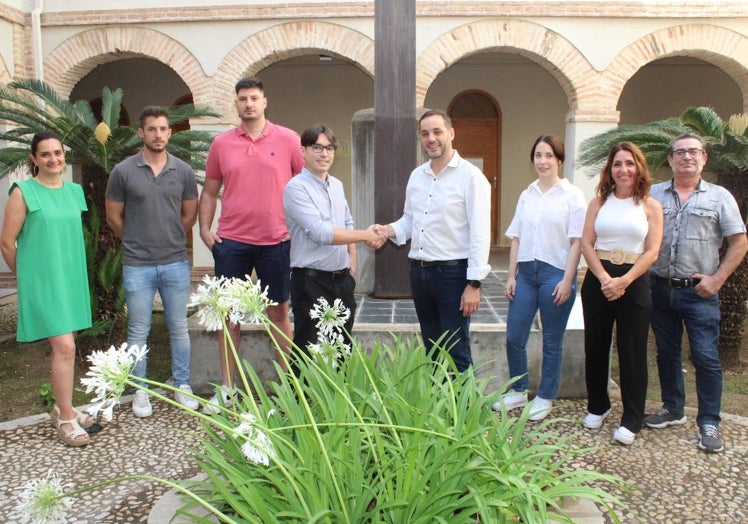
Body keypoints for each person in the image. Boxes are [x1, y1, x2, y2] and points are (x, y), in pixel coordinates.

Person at [199, 77, 304, 412]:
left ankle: (289, 389)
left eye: (254, 98)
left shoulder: (288, 139)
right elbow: (210, 191)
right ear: (237, 104)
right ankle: (228, 388)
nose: (248, 104)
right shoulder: (221, 144)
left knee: (279, 312)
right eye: (242, 98)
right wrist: (204, 228)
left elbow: (305, 187)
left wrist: (301, 230)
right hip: (232, 243)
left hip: (277, 241)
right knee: (228, 315)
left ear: (264, 101)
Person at [644, 133, 747, 453]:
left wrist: (717, 279)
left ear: (704, 158)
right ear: (670, 159)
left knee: (705, 356)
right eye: (680, 152)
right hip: (660, 288)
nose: (687, 157)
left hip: (700, 292)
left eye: (694, 152)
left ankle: (709, 420)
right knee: (666, 352)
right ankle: (672, 408)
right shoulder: (653, 194)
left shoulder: (720, 197)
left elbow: (739, 242)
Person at [376, 109, 491, 372]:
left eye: (437, 131)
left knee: (456, 350)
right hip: (420, 273)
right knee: (433, 348)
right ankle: (437, 409)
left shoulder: (471, 177)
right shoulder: (417, 176)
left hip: (453, 275)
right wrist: (385, 231)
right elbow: (409, 221)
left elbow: (480, 233)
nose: (431, 138)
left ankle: (462, 411)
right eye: (425, 133)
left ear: (451, 133)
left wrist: (474, 283)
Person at [105, 106, 199, 417]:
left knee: (178, 327)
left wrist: (170, 235)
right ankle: (140, 390)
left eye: (163, 129)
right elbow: (114, 217)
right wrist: (135, 239)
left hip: (174, 261)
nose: (158, 134)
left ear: (170, 133)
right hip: (137, 264)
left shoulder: (183, 171)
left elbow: (189, 215)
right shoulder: (123, 171)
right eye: (152, 129)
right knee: (138, 330)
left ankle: (182, 384)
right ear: (140, 133)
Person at [1, 131, 93, 446]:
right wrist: (29, 279)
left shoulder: (74, 192)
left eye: (58, 153)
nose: (53, 159)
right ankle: (67, 420)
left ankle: (62, 406)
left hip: (71, 279)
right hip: (45, 282)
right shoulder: (23, 192)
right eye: (45, 154)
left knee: (69, 345)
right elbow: (6, 242)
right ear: (34, 159)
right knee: (65, 347)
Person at [492, 135, 586, 421]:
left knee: (552, 339)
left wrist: (567, 280)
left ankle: (545, 395)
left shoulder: (573, 196)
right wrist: (511, 276)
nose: (542, 161)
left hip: (555, 274)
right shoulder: (527, 193)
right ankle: (519, 390)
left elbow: (576, 242)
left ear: (559, 160)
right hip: (526, 274)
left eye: (548, 156)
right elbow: (517, 237)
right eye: (538, 156)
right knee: (514, 336)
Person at [580, 142, 663, 446]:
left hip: (634, 280)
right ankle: (598, 405)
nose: (623, 169)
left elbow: (652, 251)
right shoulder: (599, 202)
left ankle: (632, 417)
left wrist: (624, 280)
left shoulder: (650, 206)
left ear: (638, 167)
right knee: (596, 346)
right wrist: (604, 277)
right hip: (598, 280)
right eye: (617, 164)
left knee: (631, 351)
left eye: (629, 163)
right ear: (610, 169)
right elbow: (587, 243)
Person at [283, 124, 383, 368]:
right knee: (307, 347)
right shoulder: (296, 188)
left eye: (329, 148)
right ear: (303, 151)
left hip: (341, 281)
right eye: (316, 147)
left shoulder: (336, 185)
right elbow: (320, 233)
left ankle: (336, 402)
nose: (324, 153)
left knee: (342, 346)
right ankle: (298, 403)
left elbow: (346, 220)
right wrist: (364, 236)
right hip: (310, 281)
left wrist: (352, 256)